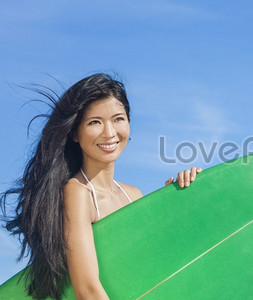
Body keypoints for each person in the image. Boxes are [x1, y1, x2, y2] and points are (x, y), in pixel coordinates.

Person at [0, 73, 201, 299]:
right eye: (95, 122)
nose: (110, 133)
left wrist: (185, 194)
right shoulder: (78, 193)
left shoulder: (133, 195)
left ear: (129, 122)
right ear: (75, 133)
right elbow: (87, 290)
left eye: (118, 119)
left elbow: (157, 268)